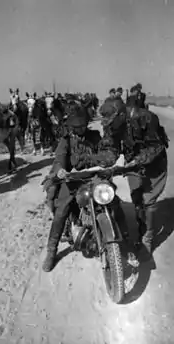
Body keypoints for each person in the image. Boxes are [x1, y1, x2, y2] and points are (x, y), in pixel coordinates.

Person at [42, 102, 125, 272]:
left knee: (113, 200)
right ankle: (51, 251)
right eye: (77, 126)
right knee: (62, 210)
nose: (81, 129)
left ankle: (126, 242)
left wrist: (108, 160)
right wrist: (60, 171)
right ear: (71, 126)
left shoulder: (94, 136)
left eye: (83, 125)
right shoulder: (66, 141)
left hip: (94, 177)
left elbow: (105, 151)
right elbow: (59, 159)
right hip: (73, 180)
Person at [100, 96, 168, 261]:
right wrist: (106, 160)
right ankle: (140, 231)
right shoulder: (112, 125)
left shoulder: (146, 117)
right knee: (137, 199)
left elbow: (156, 146)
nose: (109, 127)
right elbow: (111, 145)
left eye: (111, 122)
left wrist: (138, 161)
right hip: (132, 162)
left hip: (155, 164)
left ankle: (148, 238)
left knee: (149, 201)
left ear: (122, 115)